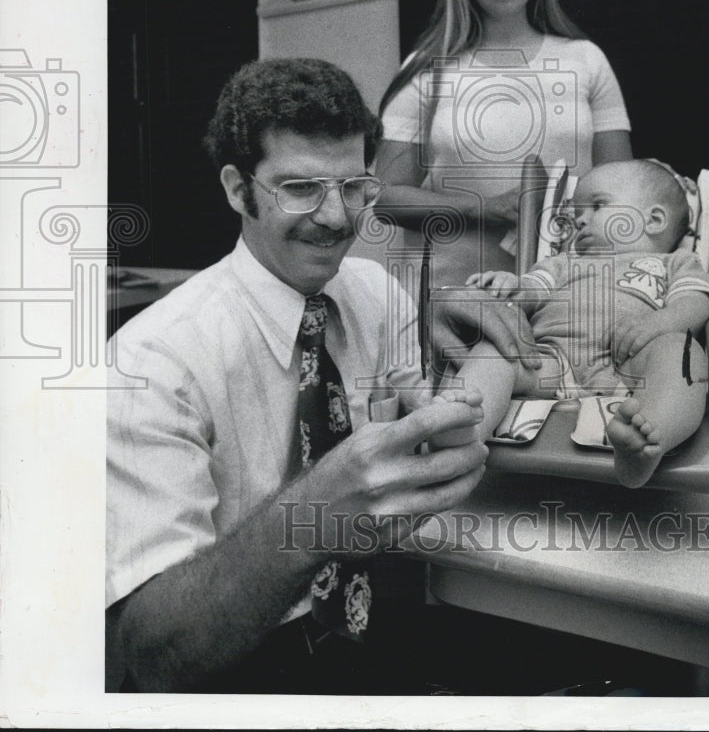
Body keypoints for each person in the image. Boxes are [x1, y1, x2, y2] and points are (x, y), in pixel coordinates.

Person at [104, 57, 503, 694]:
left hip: (374, 627)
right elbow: (154, 653)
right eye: (299, 189)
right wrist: (313, 517)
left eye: (354, 187)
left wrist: (488, 344)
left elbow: (428, 434)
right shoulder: (151, 363)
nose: (338, 218)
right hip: (236, 674)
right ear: (238, 190)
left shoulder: (375, 292)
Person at [376, 0, 633, 289]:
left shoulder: (586, 60)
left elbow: (624, 192)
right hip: (454, 300)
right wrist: (485, 209)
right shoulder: (427, 70)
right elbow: (385, 199)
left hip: (568, 300)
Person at [435, 160, 709, 488]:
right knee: (497, 349)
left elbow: (694, 304)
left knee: (682, 351)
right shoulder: (562, 262)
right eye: (575, 215)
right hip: (550, 361)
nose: (580, 220)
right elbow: (529, 292)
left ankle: (649, 437)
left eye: (597, 206)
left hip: (630, 364)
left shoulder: (676, 262)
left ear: (653, 220)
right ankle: (464, 427)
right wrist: (508, 286)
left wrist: (659, 323)